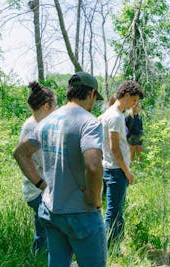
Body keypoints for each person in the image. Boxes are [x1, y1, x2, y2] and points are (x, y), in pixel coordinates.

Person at [13, 71, 106, 266]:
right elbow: (94, 164)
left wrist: (41, 185)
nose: (93, 103)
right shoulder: (89, 122)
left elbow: (20, 154)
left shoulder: (46, 122)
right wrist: (94, 198)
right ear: (90, 94)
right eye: (94, 98)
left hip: (51, 211)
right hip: (82, 214)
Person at [99, 81, 144, 247]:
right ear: (126, 96)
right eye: (133, 100)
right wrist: (127, 171)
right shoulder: (116, 116)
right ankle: (109, 248)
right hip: (116, 171)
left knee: (114, 211)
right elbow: (115, 148)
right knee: (114, 213)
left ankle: (112, 246)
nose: (134, 104)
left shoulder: (109, 112)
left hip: (110, 168)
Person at [18, 81, 56, 255]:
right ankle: (39, 259)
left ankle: (38, 259)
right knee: (45, 234)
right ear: (47, 106)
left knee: (43, 231)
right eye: (55, 106)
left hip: (37, 189)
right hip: (38, 190)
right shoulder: (35, 127)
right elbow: (44, 160)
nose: (56, 110)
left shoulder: (33, 123)